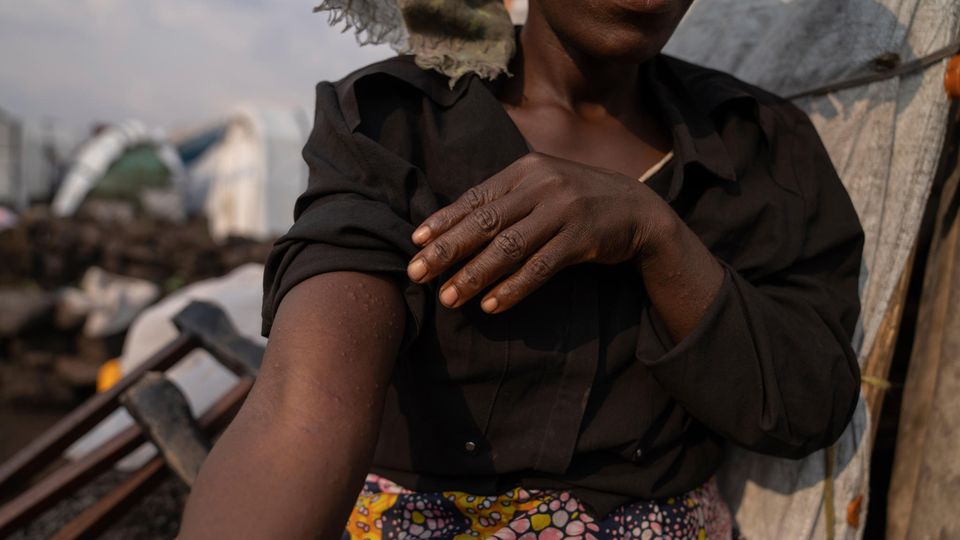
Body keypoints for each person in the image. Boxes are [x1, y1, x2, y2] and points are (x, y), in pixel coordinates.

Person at [179, 0, 864, 538]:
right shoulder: (394, 125)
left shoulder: (763, 149)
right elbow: (303, 411)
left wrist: (657, 236)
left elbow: (807, 407)